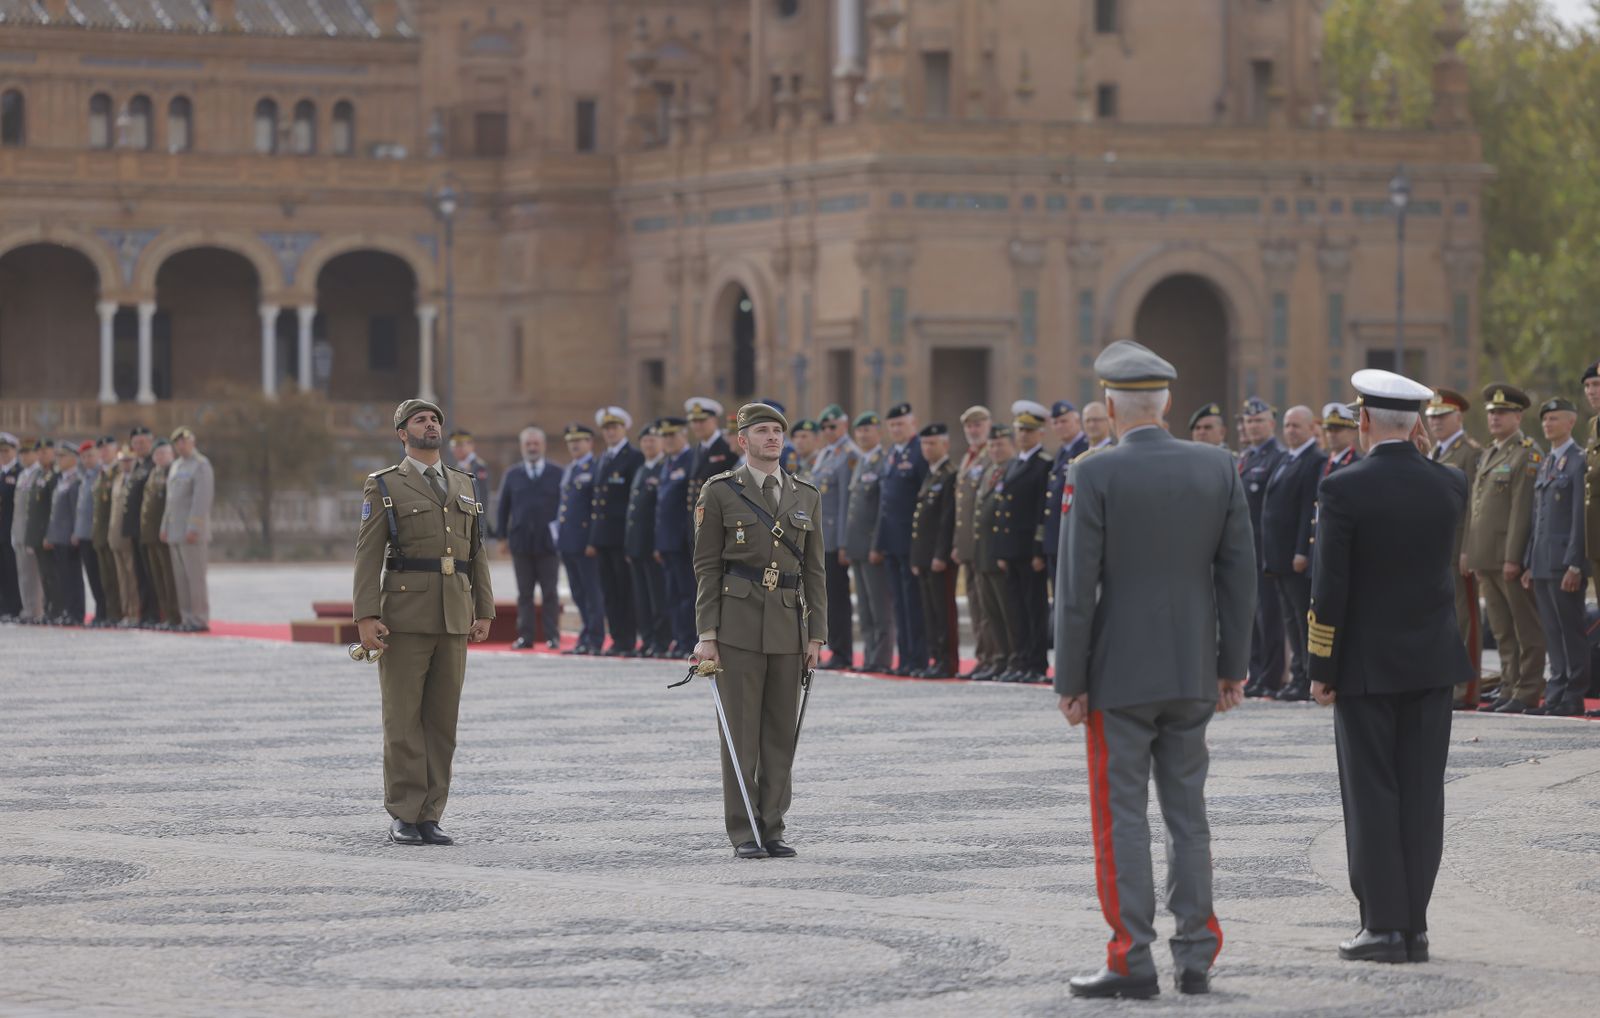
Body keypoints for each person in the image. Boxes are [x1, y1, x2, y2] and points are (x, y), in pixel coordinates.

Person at [1055, 340, 1254, 999]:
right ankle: (1197, 955)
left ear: (1110, 406)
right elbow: (1239, 578)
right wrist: (1232, 667)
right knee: (1188, 815)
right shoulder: (1220, 466)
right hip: (1194, 668)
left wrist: (1071, 680)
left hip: (1118, 675)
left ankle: (1130, 958)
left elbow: (1078, 587)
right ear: (1166, 404)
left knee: (1122, 818)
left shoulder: (1094, 472)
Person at [1308, 368, 1470, 966]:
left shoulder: (1344, 488)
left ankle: (1383, 926)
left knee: (1373, 792)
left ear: (1366, 421)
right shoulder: (1450, 483)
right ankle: (1417, 928)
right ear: (1420, 424)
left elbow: (1331, 588)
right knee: (1422, 794)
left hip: (1366, 664)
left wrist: (1321, 663)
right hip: (1432, 660)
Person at [354, 398, 494, 847]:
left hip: (454, 614)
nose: (430, 425)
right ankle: (404, 811)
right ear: (403, 433)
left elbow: (477, 553)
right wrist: (366, 615)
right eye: (420, 420)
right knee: (402, 720)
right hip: (406, 615)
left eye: (435, 419)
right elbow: (368, 555)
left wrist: (485, 609)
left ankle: (431, 813)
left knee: (441, 721)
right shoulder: (385, 485)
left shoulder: (463, 483)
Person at [691, 402, 827, 859]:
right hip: (737, 625)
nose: (772, 438)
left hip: (789, 626)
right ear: (742, 440)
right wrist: (706, 632)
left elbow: (815, 572)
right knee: (741, 733)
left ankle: (773, 825)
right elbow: (707, 567)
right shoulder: (721, 492)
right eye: (762, 431)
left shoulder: (805, 494)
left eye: (777, 431)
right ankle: (744, 828)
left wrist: (816, 636)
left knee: (778, 734)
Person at [1466, 384, 1546, 714]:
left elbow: (1522, 510)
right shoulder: (1490, 453)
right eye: (1491, 413)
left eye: (1502, 412)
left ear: (1518, 416)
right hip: (1486, 557)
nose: (1495, 418)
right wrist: (1472, 552)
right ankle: (1510, 685)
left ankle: (1528, 689)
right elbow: (1477, 509)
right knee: (1501, 630)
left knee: (1524, 627)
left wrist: (1514, 557)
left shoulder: (1526, 452)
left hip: (1506, 558)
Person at [1524, 398, 1589, 716]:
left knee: (1570, 629)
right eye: (1545, 419)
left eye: (1554, 418)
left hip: (1564, 562)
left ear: (1571, 422)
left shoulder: (1579, 461)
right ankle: (1556, 692)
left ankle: (1574, 693)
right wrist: (1528, 560)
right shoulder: (1547, 461)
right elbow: (1537, 517)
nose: (1547, 424)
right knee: (1551, 629)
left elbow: (1581, 518)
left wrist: (1576, 563)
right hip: (1541, 561)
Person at [1261, 406, 1327, 702]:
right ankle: (1297, 675)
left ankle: (1305, 677)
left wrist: (1303, 550)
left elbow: (1307, 510)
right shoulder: (1288, 458)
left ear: (1312, 429)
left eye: (1296, 426)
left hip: (1295, 556)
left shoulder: (1314, 460)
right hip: (1279, 556)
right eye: (1287, 426)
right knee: (1290, 619)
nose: (1290, 431)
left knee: (1302, 619)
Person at [1426, 389, 1485, 709]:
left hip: (1458, 547)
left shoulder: (1470, 453)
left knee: (1466, 619)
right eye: (1432, 417)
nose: (1435, 422)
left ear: (1458, 417)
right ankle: (1448, 683)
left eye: (1442, 416)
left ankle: (1468, 689)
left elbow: (1476, 507)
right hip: (1436, 550)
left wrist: (1468, 549)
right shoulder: (1433, 452)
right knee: (1442, 621)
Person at [997, 400, 1052, 683]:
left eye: (1029, 431)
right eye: (1020, 430)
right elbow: (1005, 510)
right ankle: (1019, 659)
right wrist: (1002, 550)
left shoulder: (1043, 464)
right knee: (1015, 609)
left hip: (1029, 549)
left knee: (1034, 608)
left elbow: (1042, 510)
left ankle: (1036, 662)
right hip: (1012, 548)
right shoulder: (1014, 464)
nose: (1023, 436)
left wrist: (1038, 549)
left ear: (1040, 432)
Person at [1238, 398, 1287, 696]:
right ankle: (1255, 673)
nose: (1253, 426)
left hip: (1266, 548)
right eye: (1249, 421)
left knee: (1270, 617)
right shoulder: (1246, 457)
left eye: (1259, 421)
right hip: (1247, 550)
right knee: (1252, 616)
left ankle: (1270, 677)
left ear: (1271, 424)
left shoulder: (1277, 457)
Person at [498, 426, 563, 651]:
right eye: (528, 444)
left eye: (536, 444)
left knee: (550, 593)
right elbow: (503, 507)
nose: (532, 448)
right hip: (521, 543)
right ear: (522, 447)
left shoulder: (557, 473)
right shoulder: (513, 474)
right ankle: (525, 636)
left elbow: (565, 507)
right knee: (524, 593)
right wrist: (502, 537)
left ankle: (552, 636)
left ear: (543, 446)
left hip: (548, 544)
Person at [876, 403, 928, 675]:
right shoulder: (892, 455)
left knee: (913, 603)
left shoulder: (919, 452)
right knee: (899, 603)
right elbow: (885, 504)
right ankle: (906, 658)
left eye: (901, 424)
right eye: (892, 425)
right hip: (891, 542)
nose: (896, 429)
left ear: (913, 424)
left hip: (911, 540)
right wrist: (879, 542)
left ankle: (918, 659)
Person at [588, 406, 644, 656]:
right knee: (609, 590)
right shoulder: (603, 459)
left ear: (624, 429)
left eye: (615, 428)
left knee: (625, 590)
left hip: (622, 536)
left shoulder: (633, 457)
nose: (610, 432)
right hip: (603, 537)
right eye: (607, 429)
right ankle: (618, 637)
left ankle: (628, 639)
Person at [844, 412, 894, 672]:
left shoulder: (882, 461)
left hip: (873, 547)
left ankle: (882, 658)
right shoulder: (861, 462)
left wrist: (877, 545)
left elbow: (881, 509)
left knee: (880, 608)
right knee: (864, 608)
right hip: (857, 546)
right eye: (859, 431)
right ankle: (870, 655)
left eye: (868, 430)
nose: (862, 435)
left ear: (878, 432)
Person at [951, 406, 998, 679]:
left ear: (988, 425)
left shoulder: (989, 457)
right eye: (969, 426)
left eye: (978, 425)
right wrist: (958, 543)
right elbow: (962, 507)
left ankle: (991, 657)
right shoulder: (968, 458)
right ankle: (983, 657)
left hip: (983, 544)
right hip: (968, 545)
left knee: (986, 606)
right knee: (976, 603)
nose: (973, 430)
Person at [811, 405, 859, 670]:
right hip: (821, 536)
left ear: (844, 426)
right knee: (826, 597)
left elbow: (844, 504)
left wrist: (843, 542)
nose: (828, 432)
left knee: (838, 598)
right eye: (824, 427)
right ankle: (834, 647)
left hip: (834, 538)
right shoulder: (825, 455)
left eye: (833, 426)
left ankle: (843, 651)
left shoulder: (848, 456)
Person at [910, 423, 958, 677]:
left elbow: (946, 520)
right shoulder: (931, 474)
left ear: (945, 445)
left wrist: (941, 554)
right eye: (924, 444)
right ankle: (935, 658)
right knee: (930, 612)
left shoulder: (950, 474)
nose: (927, 448)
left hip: (938, 557)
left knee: (943, 612)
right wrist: (917, 556)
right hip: (925, 555)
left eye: (932, 443)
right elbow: (921, 519)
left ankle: (947, 662)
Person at [973, 425, 1017, 681]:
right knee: (991, 613)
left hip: (999, 553)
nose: (996, 449)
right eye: (992, 445)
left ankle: (1013, 658)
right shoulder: (989, 471)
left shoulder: (1012, 470)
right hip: (983, 554)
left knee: (1007, 611)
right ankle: (1000, 658)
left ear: (1010, 445)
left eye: (1000, 444)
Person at [557, 423, 605, 655]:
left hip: (585, 542)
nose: (574, 445)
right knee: (577, 591)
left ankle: (595, 638)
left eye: (579, 440)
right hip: (568, 541)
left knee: (591, 591)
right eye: (571, 441)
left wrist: (593, 541)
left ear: (590, 443)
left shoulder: (594, 467)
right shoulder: (571, 469)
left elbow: (596, 509)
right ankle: (585, 635)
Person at [625, 420, 670, 657]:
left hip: (654, 545)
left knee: (658, 598)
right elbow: (632, 511)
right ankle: (648, 639)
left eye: (653, 439)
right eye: (644, 440)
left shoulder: (664, 467)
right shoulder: (642, 469)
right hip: (637, 545)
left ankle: (662, 641)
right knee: (641, 599)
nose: (648, 444)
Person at [163, 426, 215, 632]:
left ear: (192, 442)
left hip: (191, 532)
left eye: (184, 441)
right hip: (175, 530)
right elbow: (170, 501)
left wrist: (194, 526)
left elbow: (201, 499)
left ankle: (199, 618)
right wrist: (164, 526)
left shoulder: (201, 465)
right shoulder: (176, 466)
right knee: (181, 579)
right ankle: (186, 617)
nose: (181, 446)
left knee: (195, 578)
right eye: (177, 443)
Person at [654, 417, 697, 657]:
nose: (668, 440)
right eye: (665, 436)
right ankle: (679, 639)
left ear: (683, 435)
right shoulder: (668, 463)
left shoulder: (690, 460)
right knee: (672, 595)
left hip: (683, 542)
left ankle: (689, 640)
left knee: (687, 594)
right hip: (667, 542)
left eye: (673, 435)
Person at [1041, 400, 1085, 623]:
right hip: (1055, 540)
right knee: (1059, 600)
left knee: (1072, 601)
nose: (1060, 426)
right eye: (1056, 422)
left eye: (1064, 421)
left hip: (1072, 540)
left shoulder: (1085, 450)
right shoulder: (1060, 453)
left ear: (1077, 421)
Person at [140, 439, 179, 628]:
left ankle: (174, 615)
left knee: (169, 577)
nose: (160, 457)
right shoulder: (153, 474)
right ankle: (165, 615)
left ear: (172, 455)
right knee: (158, 578)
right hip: (150, 534)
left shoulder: (173, 472)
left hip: (165, 534)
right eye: (157, 454)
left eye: (164, 453)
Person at [44, 442, 84, 625]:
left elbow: (77, 510)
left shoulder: (76, 479)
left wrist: (76, 532)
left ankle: (76, 612)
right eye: (58, 456)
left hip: (70, 537)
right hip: (58, 537)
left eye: (62, 457)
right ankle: (68, 610)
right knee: (63, 577)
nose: (58, 460)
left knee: (73, 576)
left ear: (73, 458)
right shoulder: (62, 479)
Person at [123, 427, 159, 625]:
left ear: (151, 443)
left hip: (147, 529)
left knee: (150, 574)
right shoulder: (138, 466)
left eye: (143, 443)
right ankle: (145, 613)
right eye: (136, 443)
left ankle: (153, 614)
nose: (139, 446)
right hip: (136, 529)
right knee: (140, 574)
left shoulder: (153, 465)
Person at [70, 440, 106, 625]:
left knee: (101, 576)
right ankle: (100, 611)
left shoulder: (102, 475)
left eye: (90, 455)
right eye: (83, 457)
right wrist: (76, 532)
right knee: (92, 575)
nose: (87, 460)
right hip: (83, 534)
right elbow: (81, 509)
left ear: (98, 455)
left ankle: (104, 611)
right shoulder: (84, 476)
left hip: (96, 534)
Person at [87, 436, 122, 627]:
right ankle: (110, 613)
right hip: (100, 534)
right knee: (106, 578)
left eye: (107, 449)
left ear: (115, 450)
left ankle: (118, 613)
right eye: (101, 449)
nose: (103, 452)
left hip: (112, 533)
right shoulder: (102, 473)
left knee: (117, 578)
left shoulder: (118, 471)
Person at [25, 440, 60, 623]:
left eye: (45, 452)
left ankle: (56, 609)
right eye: (39, 452)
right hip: (37, 534)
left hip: (48, 534)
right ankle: (48, 608)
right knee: (44, 575)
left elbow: (53, 510)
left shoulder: (55, 475)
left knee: (53, 574)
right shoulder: (38, 474)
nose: (42, 455)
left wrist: (50, 533)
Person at [108, 447, 141, 625]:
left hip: (127, 535)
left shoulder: (135, 479)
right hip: (115, 536)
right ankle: (126, 610)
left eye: (129, 460)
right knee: (122, 577)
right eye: (123, 461)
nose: (125, 464)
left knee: (131, 576)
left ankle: (135, 611)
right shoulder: (118, 479)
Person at [686, 397, 733, 510]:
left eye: (702, 421)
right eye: (694, 421)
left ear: (714, 420)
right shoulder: (696, 450)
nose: (697, 426)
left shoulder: (728, 448)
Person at [449, 430, 495, 538]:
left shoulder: (479, 467)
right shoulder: (457, 468)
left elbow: (482, 498)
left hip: (476, 522)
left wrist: (480, 524)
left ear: (471, 445)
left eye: (460, 445)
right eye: (453, 445)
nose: (456, 449)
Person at [0, 432, 22, 621]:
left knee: (12, 570)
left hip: (11, 530)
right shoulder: (2, 473)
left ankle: (15, 607)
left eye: (7, 451)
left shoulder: (19, 473)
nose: (3, 455)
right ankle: (3, 607)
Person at [1322, 404, 1361, 475]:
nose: (1332, 434)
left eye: (1337, 430)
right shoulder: (1322, 464)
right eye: (1329, 430)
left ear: (1352, 432)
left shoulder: (1358, 463)